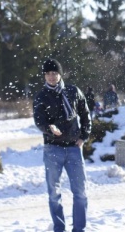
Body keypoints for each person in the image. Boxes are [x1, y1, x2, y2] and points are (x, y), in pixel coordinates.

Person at [33, 59, 91, 232]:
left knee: (80, 192)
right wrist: (49, 128)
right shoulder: (41, 96)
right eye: (48, 74)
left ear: (60, 74)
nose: (52, 77)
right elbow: (39, 120)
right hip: (52, 149)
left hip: (74, 148)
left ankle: (79, 229)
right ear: (44, 76)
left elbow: (85, 113)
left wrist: (84, 136)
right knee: (54, 194)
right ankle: (59, 228)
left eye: (55, 73)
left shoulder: (73, 91)